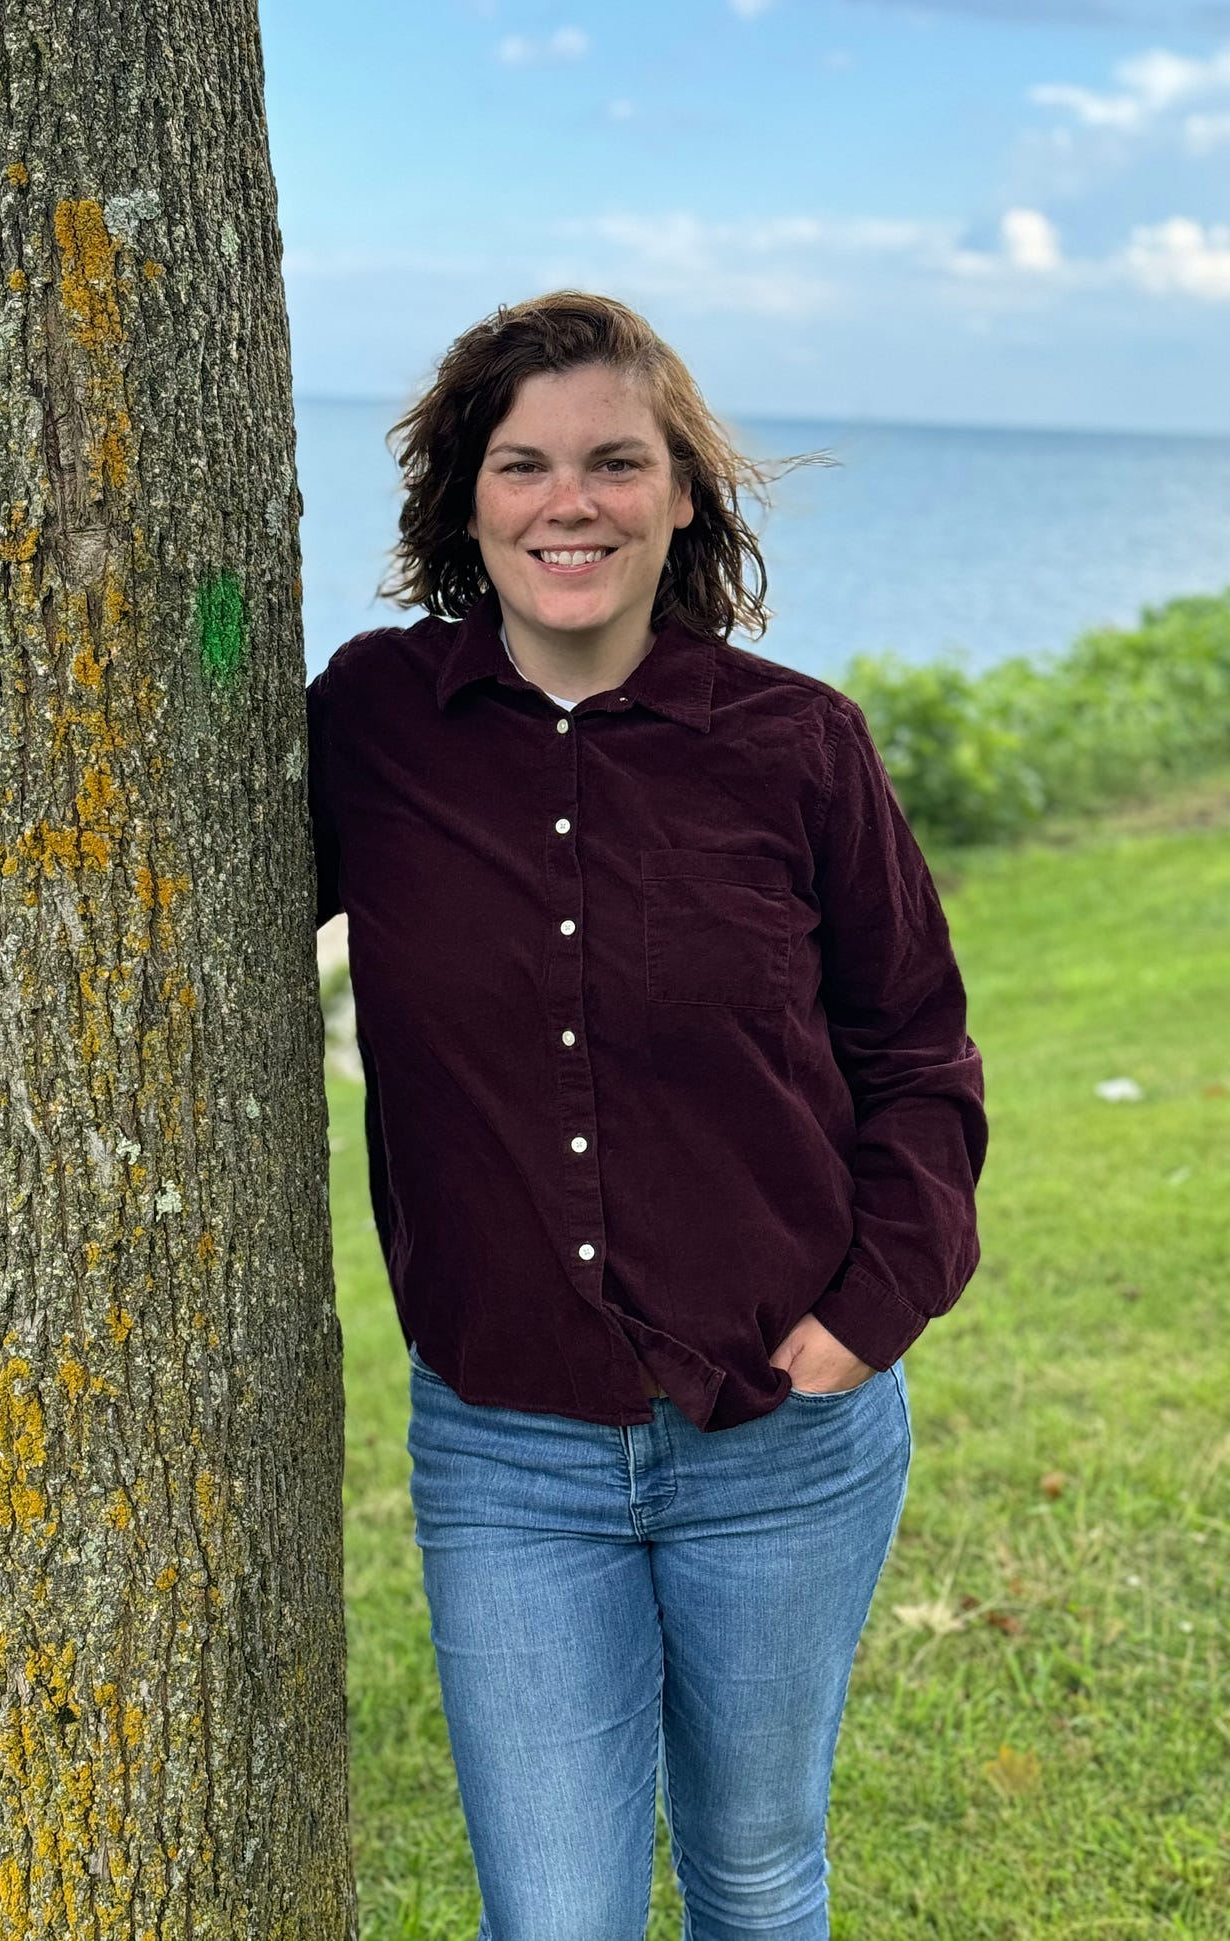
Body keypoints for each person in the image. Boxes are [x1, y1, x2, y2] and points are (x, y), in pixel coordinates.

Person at [305, 290, 988, 1941]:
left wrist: (856, 1326)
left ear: (681, 491)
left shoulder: (799, 747)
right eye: (524, 463)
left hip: (787, 1436)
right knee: (558, 1916)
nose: (571, 502)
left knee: (756, 1872)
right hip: (510, 1446)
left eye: (616, 461)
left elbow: (919, 1058)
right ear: (467, 499)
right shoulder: (377, 726)